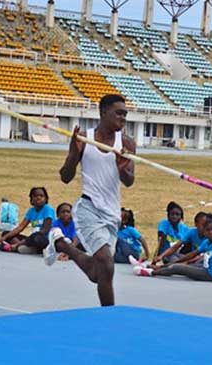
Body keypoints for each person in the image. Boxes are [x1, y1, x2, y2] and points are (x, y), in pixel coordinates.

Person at [44, 94, 136, 307]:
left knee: (99, 273)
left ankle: (61, 244)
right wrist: (73, 155)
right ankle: (110, 318)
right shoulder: (84, 139)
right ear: (103, 112)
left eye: (125, 114)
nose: (123, 118)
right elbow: (65, 177)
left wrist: (123, 167)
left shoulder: (127, 143)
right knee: (107, 264)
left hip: (112, 214)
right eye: (119, 113)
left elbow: (129, 181)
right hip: (88, 208)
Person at [135, 216, 212, 286]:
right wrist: (177, 261)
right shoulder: (206, 242)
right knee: (178, 263)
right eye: (208, 230)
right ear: (204, 231)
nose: (210, 232)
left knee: (178, 268)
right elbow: (192, 254)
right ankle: (158, 267)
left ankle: (152, 272)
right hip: (205, 268)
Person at [0, 187, 54, 254]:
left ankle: (16, 246)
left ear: (46, 199)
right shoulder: (31, 211)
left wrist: (22, 242)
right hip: (30, 240)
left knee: (36, 236)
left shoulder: (48, 209)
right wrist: (4, 237)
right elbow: (20, 227)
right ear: (31, 200)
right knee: (6, 233)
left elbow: (45, 230)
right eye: (35, 196)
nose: (38, 198)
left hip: (44, 239)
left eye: (41, 196)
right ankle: (23, 247)